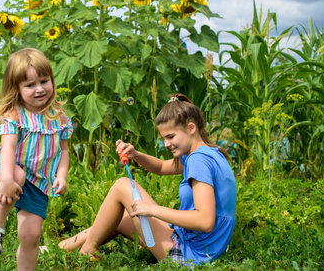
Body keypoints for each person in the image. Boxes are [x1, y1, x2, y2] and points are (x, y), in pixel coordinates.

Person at [58, 93, 236, 267]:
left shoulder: (199, 161)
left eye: (170, 136)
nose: (166, 144)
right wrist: (135, 154)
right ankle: (57, 249)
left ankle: (88, 251)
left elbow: (205, 221)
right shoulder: (207, 154)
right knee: (117, 218)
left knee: (122, 185)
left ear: (191, 128)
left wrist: (153, 210)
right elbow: (160, 167)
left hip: (190, 257)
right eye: (164, 138)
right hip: (199, 248)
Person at [0, 48, 73, 270]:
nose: (39, 89)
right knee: (16, 174)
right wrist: (8, 180)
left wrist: (61, 176)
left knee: (31, 236)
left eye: (44, 81)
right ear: (17, 89)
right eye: (30, 85)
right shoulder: (15, 115)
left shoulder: (58, 116)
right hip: (6, 168)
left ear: (51, 80)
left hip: (39, 181)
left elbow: (64, 150)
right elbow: (8, 149)